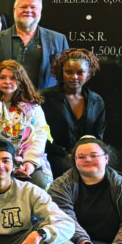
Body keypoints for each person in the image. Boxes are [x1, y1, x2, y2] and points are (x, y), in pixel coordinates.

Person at [0, 60, 51, 189]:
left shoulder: (31, 103)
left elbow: (40, 134)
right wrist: (7, 163)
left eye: (13, 78)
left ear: (21, 81)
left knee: (40, 182)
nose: (7, 82)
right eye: (2, 77)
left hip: (25, 157)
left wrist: (30, 163)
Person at [0, 0, 69, 94]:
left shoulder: (58, 40)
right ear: (14, 10)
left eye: (33, 7)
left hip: (44, 103)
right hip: (2, 103)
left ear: (40, 10)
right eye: (23, 7)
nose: (28, 10)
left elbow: (66, 80)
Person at [40, 49, 105, 178]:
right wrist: (66, 155)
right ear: (61, 72)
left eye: (80, 73)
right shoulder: (45, 98)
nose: (74, 77)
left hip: (87, 157)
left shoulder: (96, 101)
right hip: (53, 157)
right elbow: (41, 134)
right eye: (69, 72)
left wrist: (84, 156)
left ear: (88, 73)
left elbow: (97, 136)